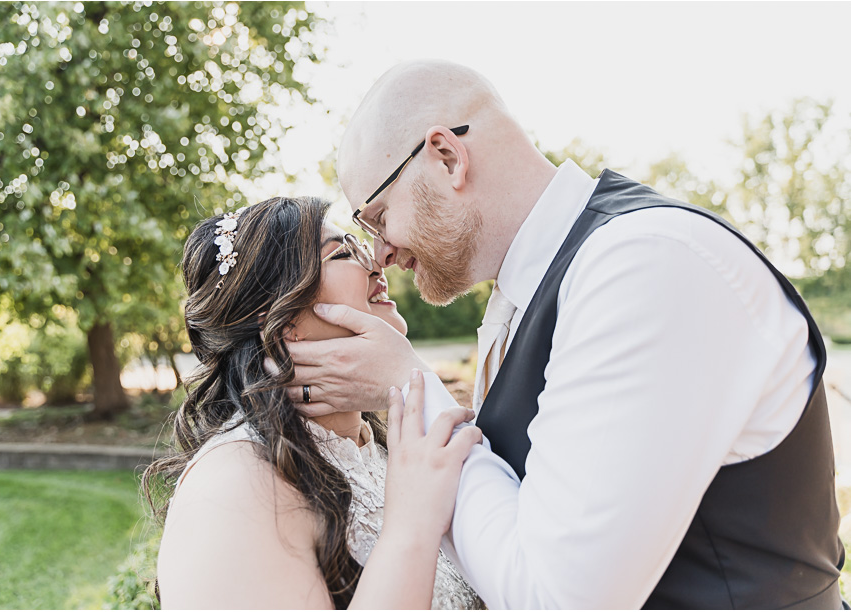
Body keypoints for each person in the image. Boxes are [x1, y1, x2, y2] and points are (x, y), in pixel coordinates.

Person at [285, 61, 847, 608]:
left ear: (446, 156)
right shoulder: (535, 290)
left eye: (378, 217)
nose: (380, 253)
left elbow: (557, 598)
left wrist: (410, 387)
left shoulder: (642, 264)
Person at [143, 196, 485, 609]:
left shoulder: (383, 448)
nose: (378, 262)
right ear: (282, 321)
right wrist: (412, 526)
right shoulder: (234, 486)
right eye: (344, 252)